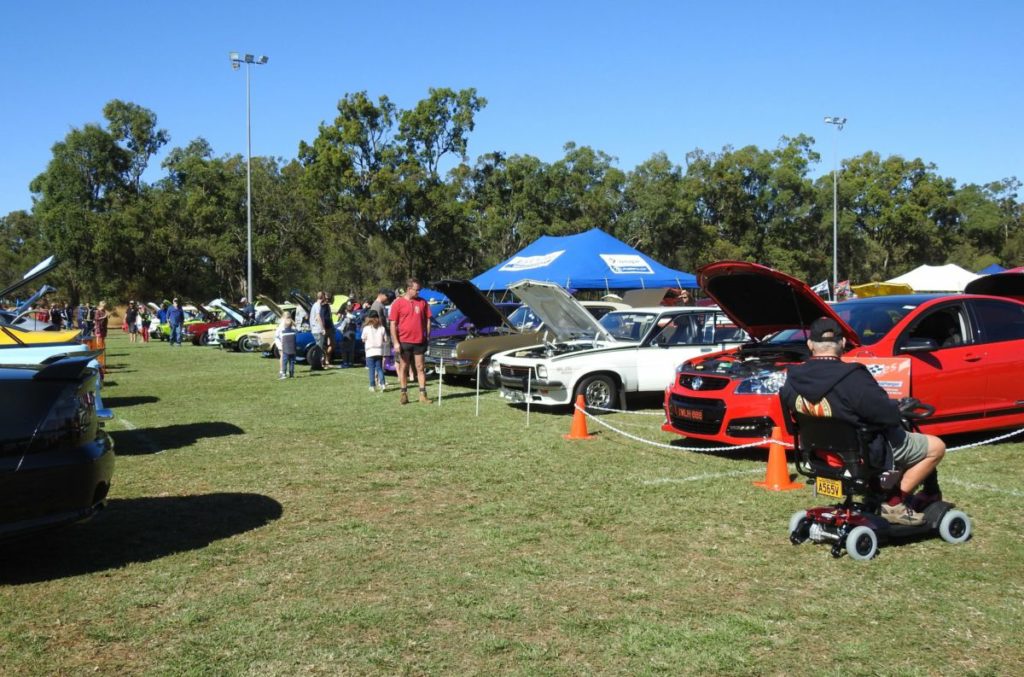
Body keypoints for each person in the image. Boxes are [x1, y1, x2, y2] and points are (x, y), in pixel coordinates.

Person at [780, 317, 945, 526]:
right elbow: (887, 415)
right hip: (861, 453)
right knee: (935, 447)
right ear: (841, 344)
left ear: (810, 344)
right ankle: (894, 502)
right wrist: (898, 407)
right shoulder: (853, 376)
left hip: (818, 453)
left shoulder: (791, 378)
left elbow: (792, 425)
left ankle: (880, 492)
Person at [389, 278, 432, 404]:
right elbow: (393, 324)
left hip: (419, 341)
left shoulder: (423, 302)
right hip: (404, 341)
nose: (419, 292)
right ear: (409, 289)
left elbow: (428, 320)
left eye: (419, 290)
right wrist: (396, 342)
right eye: (416, 290)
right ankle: (404, 393)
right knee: (404, 367)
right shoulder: (398, 303)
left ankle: (423, 395)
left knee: (420, 367)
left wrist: (427, 335)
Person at [362, 310, 386, 392]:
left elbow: (363, 339)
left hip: (370, 351)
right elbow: (385, 339)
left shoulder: (366, 328)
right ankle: (382, 384)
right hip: (379, 351)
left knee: (371, 369)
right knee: (379, 368)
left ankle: (372, 386)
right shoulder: (382, 328)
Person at [276, 312, 298, 379]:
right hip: (282, 343)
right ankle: (283, 371)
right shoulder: (284, 324)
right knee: (284, 358)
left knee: (284, 359)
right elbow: (277, 335)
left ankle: (283, 373)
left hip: (285, 344)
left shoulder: (288, 324)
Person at [309, 291, 326, 368]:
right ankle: (317, 365)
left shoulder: (314, 305)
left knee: (317, 348)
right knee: (319, 348)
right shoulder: (318, 305)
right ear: (322, 297)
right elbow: (318, 317)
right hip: (318, 330)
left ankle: (315, 365)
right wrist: (322, 328)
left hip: (314, 329)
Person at [338, 302, 357, 367]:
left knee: (344, 349)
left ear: (346, 310)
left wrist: (339, 329)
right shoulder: (355, 317)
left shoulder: (346, 318)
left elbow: (342, 327)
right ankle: (351, 362)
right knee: (351, 349)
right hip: (353, 333)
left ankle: (345, 362)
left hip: (346, 334)